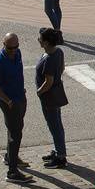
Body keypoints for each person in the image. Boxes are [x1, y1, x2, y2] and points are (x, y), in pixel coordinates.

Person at [0, 32, 32, 182]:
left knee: (16, 128)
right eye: (10, 48)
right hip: (9, 102)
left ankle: (10, 156)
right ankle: (12, 172)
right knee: (16, 134)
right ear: (4, 45)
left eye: (16, 47)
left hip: (20, 97)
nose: (13, 50)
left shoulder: (18, 54)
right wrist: (8, 101)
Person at [35, 27, 69, 168]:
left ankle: (60, 157)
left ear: (47, 42)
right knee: (57, 123)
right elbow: (61, 69)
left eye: (41, 39)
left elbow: (48, 81)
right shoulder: (58, 52)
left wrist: (39, 91)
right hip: (56, 93)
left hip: (49, 96)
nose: (39, 40)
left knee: (54, 125)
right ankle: (58, 150)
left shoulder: (49, 59)